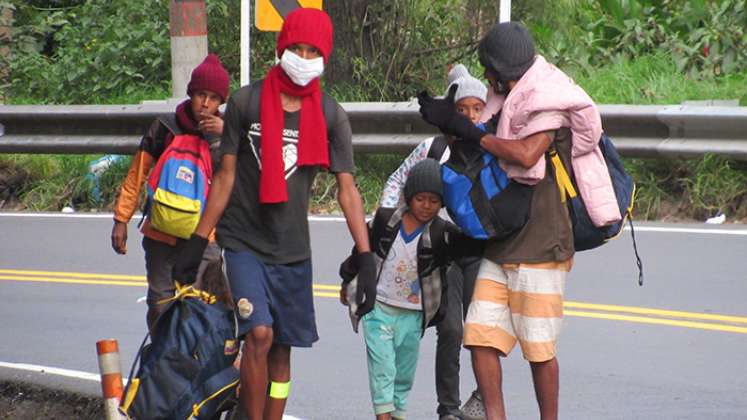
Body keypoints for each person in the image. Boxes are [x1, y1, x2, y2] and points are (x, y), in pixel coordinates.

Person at [171, 8, 376, 420]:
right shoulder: (246, 103)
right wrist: (198, 239)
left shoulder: (331, 115)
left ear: (324, 57)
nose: (303, 57)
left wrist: (366, 255)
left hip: (293, 250)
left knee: (282, 349)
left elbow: (347, 189)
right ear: (282, 48)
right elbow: (225, 178)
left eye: (312, 50)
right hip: (244, 241)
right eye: (296, 47)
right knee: (259, 334)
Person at [418, 22, 618, 420]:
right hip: (503, 241)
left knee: (538, 348)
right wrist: (451, 123)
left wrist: (465, 130)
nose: (489, 81)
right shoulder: (506, 99)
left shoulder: (549, 101)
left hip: (542, 245)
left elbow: (526, 155)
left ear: (502, 70)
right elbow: (484, 143)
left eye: (490, 73)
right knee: (480, 338)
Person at [379, 64, 488, 420]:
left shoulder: (490, 149)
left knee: (486, 331)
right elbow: (397, 182)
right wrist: (388, 224)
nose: (470, 116)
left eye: (477, 109)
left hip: (481, 252)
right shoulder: (433, 148)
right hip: (445, 254)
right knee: (452, 329)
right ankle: (449, 410)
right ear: (450, 111)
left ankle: (483, 395)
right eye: (462, 109)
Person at [341, 159, 483, 420]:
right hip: (379, 309)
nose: (427, 206)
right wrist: (347, 277)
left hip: (414, 315)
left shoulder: (443, 234)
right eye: (420, 199)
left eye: (434, 200)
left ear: (442, 204)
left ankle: (397, 415)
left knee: (403, 375)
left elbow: (473, 245)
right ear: (408, 197)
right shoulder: (385, 220)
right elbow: (361, 250)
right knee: (383, 369)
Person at [110, 53, 230, 330]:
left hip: (205, 236)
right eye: (201, 94)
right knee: (160, 305)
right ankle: (161, 362)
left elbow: (236, 182)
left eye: (214, 97)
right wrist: (121, 219)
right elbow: (136, 174)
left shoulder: (226, 133)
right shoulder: (165, 127)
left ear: (221, 102)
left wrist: (225, 135)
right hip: (159, 232)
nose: (206, 103)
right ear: (191, 94)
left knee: (205, 307)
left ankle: (196, 368)